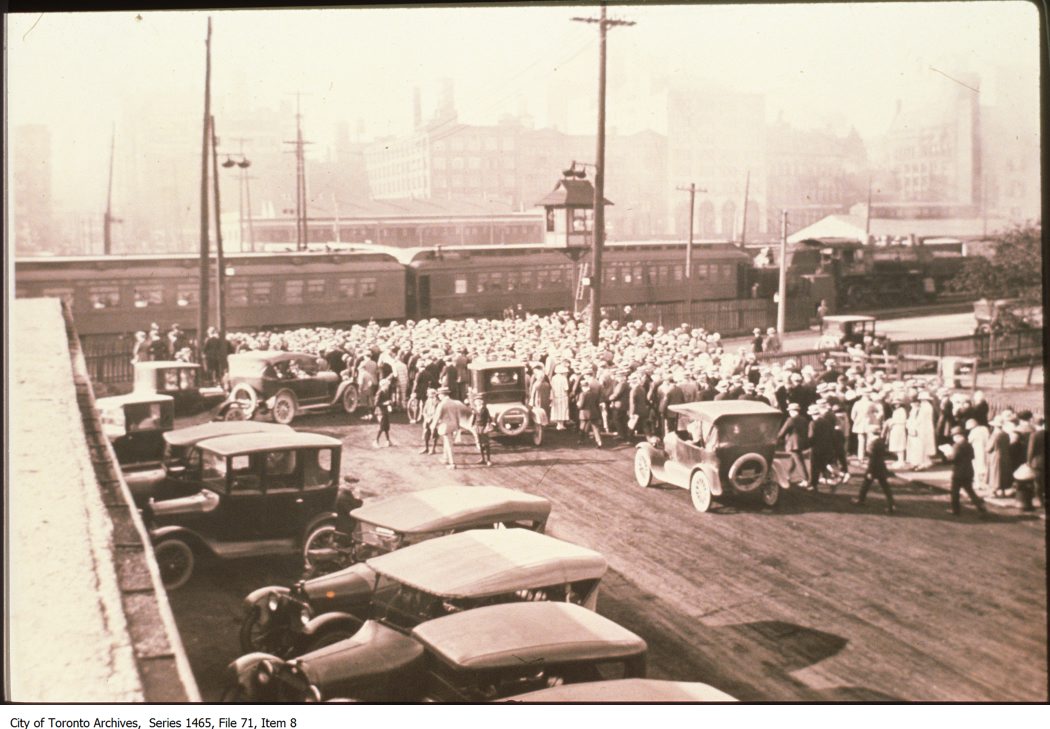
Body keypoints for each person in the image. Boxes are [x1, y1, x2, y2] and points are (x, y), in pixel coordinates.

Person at [943, 425, 988, 517]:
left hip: (958, 472)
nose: (953, 438)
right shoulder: (968, 444)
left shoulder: (957, 446)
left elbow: (953, 459)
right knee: (970, 491)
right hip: (969, 471)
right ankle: (980, 506)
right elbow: (972, 456)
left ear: (957, 436)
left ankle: (955, 510)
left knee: (955, 492)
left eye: (954, 436)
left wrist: (947, 454)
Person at [852, 432, 896, 514]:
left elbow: (873, 459)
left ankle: (861, 500)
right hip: (881, 467)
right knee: (885, 487)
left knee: (866, 484)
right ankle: (891, 504)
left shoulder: (874, 444)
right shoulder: (880, 442)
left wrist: (870, 471)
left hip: (874, 468)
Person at [777, 402, 810, 487]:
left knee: (798, 461)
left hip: (792, 443)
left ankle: (805, 479)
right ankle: (787, 475)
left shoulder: (791, 420)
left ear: (791, 411)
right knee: (793, 460)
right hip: (801, 442)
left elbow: (782, 432)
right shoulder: (803, 419)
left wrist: (776, 438)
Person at [986, 416, 1012, 498]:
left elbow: (988, 448)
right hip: (1005, 455)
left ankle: (994, 491)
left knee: (995, 473)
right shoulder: (1006, 434)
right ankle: (1003, 491)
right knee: (1003, 473)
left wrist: (986, 447)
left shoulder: (995, 435)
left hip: (995, 456)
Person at [576, 377, 604, 448]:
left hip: (584, 413)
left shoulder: (582, 394)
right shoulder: (594, 394)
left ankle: (581, 440)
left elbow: (581, 405)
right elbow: (597, 403)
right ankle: (599, 441)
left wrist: (577, 405)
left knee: (582, 426)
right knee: (595, 427)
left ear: (582, 387)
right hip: (594, 412)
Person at [469, 395, 494, 466]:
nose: (478, 402)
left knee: (486, 444)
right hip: (477, 427)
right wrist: (472, 424)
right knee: (480, 444)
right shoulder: (475, 409)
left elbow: (489, 418)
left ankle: (488, 460)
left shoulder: (485, 409)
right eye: (477, 401)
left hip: (483, 427)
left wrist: (487, 425)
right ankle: (482, 458)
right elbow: (474, 417)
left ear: (482, 402)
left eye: (479, 401)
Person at [372, 376, 394, 448]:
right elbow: (376, 403)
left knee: (386, 426)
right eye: (387, 385)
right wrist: (385, 403)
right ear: (383, 385)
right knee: (382, 427)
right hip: (380, 412)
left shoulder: (386, 391)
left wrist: (390, 402)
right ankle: (376, 441)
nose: (388, 386)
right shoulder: (380, 392)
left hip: (385, 411)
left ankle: (388, 441)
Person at [419, 388, 440, 455]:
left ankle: (433, 449)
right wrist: (426, 417)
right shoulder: (427, 401)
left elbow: (438, 412)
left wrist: (432, 418)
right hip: (427, 419)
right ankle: (426, 448)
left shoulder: (438, 402)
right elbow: (424, 410)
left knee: (434, 434)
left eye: (429, 393)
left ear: (434, 394)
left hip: (434, 419)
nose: (427, 395)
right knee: (426, 433)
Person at [551, 364, 571, 430]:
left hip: (555, 396)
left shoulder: (553, 378)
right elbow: (566, 388)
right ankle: (561, 424)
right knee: (563, 410)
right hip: (563, 396)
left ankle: (558, 424)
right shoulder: (563, 378)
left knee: (557, 410)